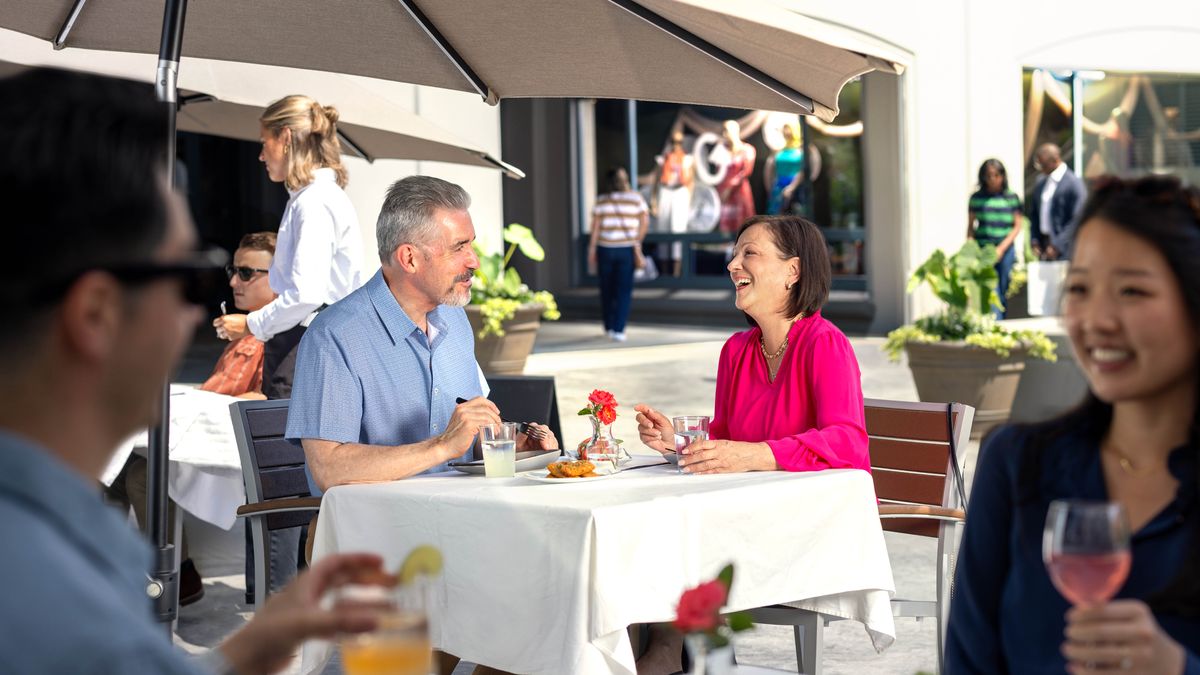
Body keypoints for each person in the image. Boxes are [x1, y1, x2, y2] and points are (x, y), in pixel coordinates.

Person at [0, 67, 392, 675]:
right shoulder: (52, 589)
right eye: (192, 275)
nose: (206, 306)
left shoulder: (50, 554)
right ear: (96, 313)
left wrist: (252, 648)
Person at [946, 175, 1200, 674]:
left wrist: (1177, 667)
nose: (1097, 318)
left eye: (1131, 290)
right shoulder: (1018, 465)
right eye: (1079, 288)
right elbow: (967, 663)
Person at [287, 175, 556, 492]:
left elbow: (464, 441)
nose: (475, 261)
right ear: (409, 258)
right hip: (375, 532)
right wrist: (440, 446)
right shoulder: (334, 336)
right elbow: (328, 469)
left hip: (459, 517)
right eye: (459, 247)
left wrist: (509, 448)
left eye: (471, 244)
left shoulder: (455, 319)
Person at [106, 230, 280, 605]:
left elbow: (267, 398)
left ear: (280, 278)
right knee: (113, 467)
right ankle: (102, 568)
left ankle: (176, 575)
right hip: (206, 435)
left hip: (235, 450)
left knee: (143, 475)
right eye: (234, 271)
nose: (234, 281)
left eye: (248, 273)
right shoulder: (244, 332)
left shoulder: (281, 335)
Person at [635, 215, 869, 474]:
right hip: (752, 504)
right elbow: (725, 437)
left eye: (750, 253)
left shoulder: (824, 343)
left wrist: (759, 456)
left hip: (818, 508)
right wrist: (677, 443)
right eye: (735, 254)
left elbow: (846, 442)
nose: (732, 265)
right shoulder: (736, 351)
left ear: (793, 271)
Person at [212, 95, 364, 399]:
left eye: (263, 142)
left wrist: (251, 324)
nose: (260, 155)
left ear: (285, 138)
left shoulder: (314, 201)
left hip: (307, 343)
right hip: (313, 340)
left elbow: (306, 294)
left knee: (291, 443)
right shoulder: (315, 197)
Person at [588, 167, 649, 342]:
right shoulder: (636, 198)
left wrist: (591, 250)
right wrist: (637, 240)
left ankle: (608, 326)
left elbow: (595, 228)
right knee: (624, 290)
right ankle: (619, 329)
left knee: (606, 289)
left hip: (605, 249)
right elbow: (645, 221)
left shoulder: (602, 200)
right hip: (626, 249)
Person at [967, 159, 1024, 319]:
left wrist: (1001, 248)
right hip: (984, 248)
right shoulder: (976, 198)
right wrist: (971, 249)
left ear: (1002, 176)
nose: (992, 179)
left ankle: (1001, 320)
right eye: (988, 176)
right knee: (991, 287)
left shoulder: (1011, 197)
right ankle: (995, 322)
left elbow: (1017, 226)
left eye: (996, 175)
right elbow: (971, 227)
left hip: (1005, 249)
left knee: (1003, 287)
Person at [1028, 142, 1086, 261]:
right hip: (1044, 246)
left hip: (1065, 248)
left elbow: (1077, 219)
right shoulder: (1041, 182)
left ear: (1055, 160)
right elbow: (1034, 214)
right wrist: (1034, 240)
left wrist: (1057, 244)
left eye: (1043, 164)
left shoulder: (1073, 183)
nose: (1040, 168)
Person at [651, 130, 694, 276]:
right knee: (663, 229)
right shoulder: (663, 159)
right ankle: (664, 272)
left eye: (679, 142)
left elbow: (690, 182)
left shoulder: (687, 159)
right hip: (665, 192)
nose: (676, 145)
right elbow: (656, 181)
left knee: (678, 229)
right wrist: (654, 201)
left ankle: (676, 273)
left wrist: (689, 201)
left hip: (680, 193)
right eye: (674, 142)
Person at [716, 119, 757, 233]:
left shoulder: (747, 150)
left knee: (741, 225)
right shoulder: (722, 151)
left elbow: (746, 172)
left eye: (727, 131)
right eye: (723, 131)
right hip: (725, 194)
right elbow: (718, 173)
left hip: (739, 191)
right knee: (725, 228)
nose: (725, 134)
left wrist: (730, 187)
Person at [764, 120, 805, 215]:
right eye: (785, 130)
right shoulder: (779, 151)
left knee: (794, 215)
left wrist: (792, 187)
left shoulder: (801, 151)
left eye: (789, 130)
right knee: (776, 216)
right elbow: (770, 170)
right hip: (778, 186)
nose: (786, 132)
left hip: (795, 187)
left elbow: (802, 171)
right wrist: (770, 187)